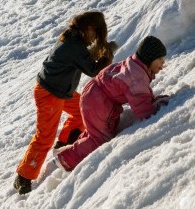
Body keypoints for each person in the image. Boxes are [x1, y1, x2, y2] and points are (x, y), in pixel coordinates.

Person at [14, 11, 117, 194]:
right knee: (45, 136)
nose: (95, 38)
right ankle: (23, 177)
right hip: (50, 93)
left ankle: (64, 145)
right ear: (89, 28)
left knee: (81, 111)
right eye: (96, 33)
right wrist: (108, 54)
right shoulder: (75, 45)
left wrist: (103, 51)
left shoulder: (72, 37)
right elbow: (93, 70)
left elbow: (83, 59)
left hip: (59, 91)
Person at [55, 36, 170, 172]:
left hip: (95, 96)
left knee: (97, 131)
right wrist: (157, 106)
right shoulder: (136, 76)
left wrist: (154, 100)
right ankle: (65, 159)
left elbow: (142, 93)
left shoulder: (135, 66)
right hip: (98, 101)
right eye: (160, 59)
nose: (163, 63)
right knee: (100, 138)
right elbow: (143, 109)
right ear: (149, 58)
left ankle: (73, 150)